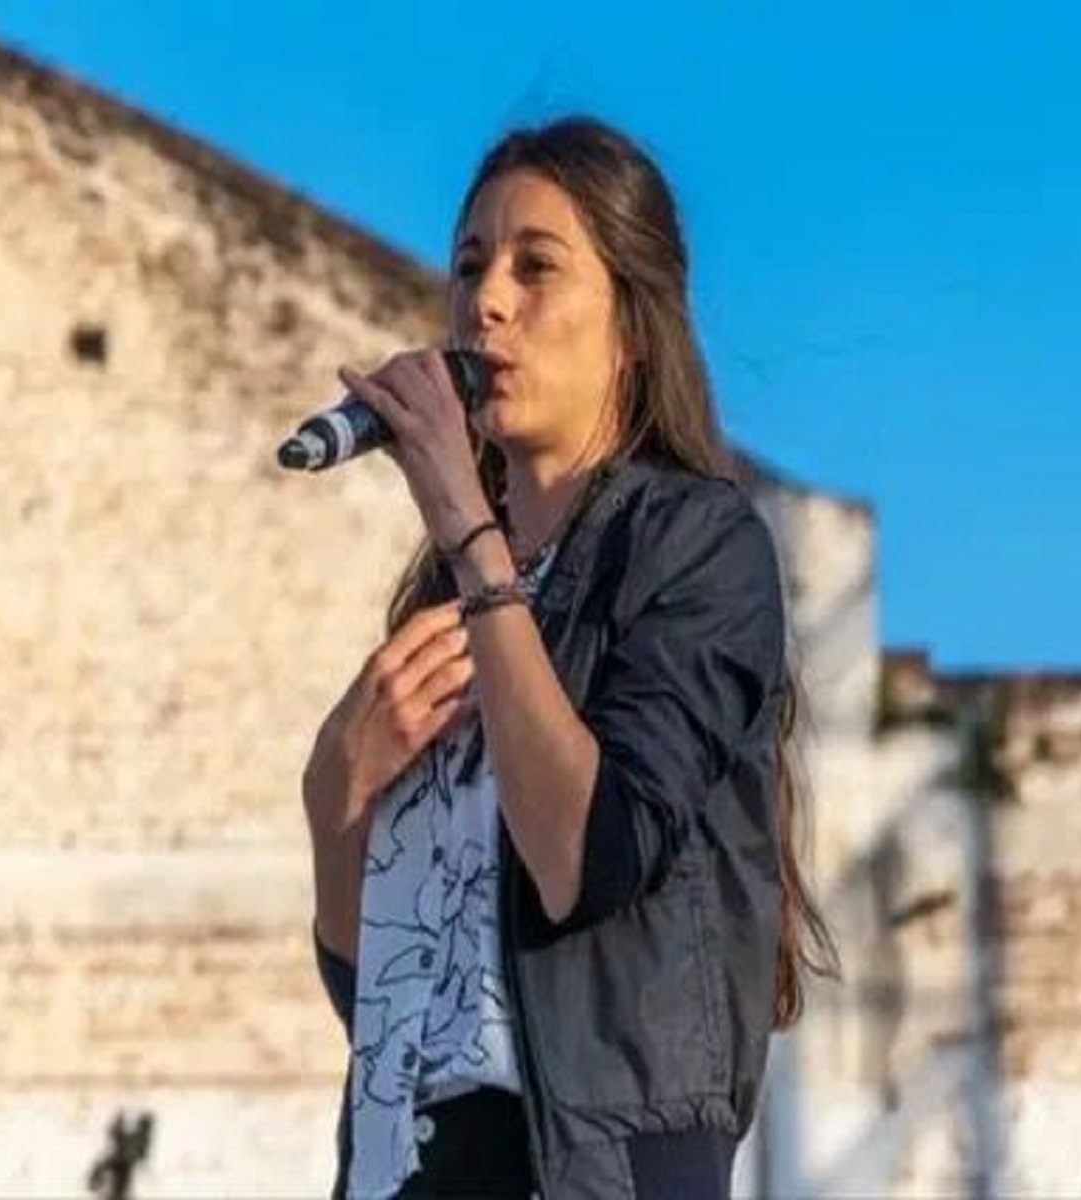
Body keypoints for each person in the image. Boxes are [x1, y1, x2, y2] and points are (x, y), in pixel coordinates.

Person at [300, 114, 836, 1199]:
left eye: (536, 267)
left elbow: (585, 858)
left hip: (594, 1171)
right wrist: (334, 797)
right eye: (469, 266)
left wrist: (463, 518)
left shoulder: (697, 548)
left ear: (631, 325)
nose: (487, 300)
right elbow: (383, 987)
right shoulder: (449, 597)